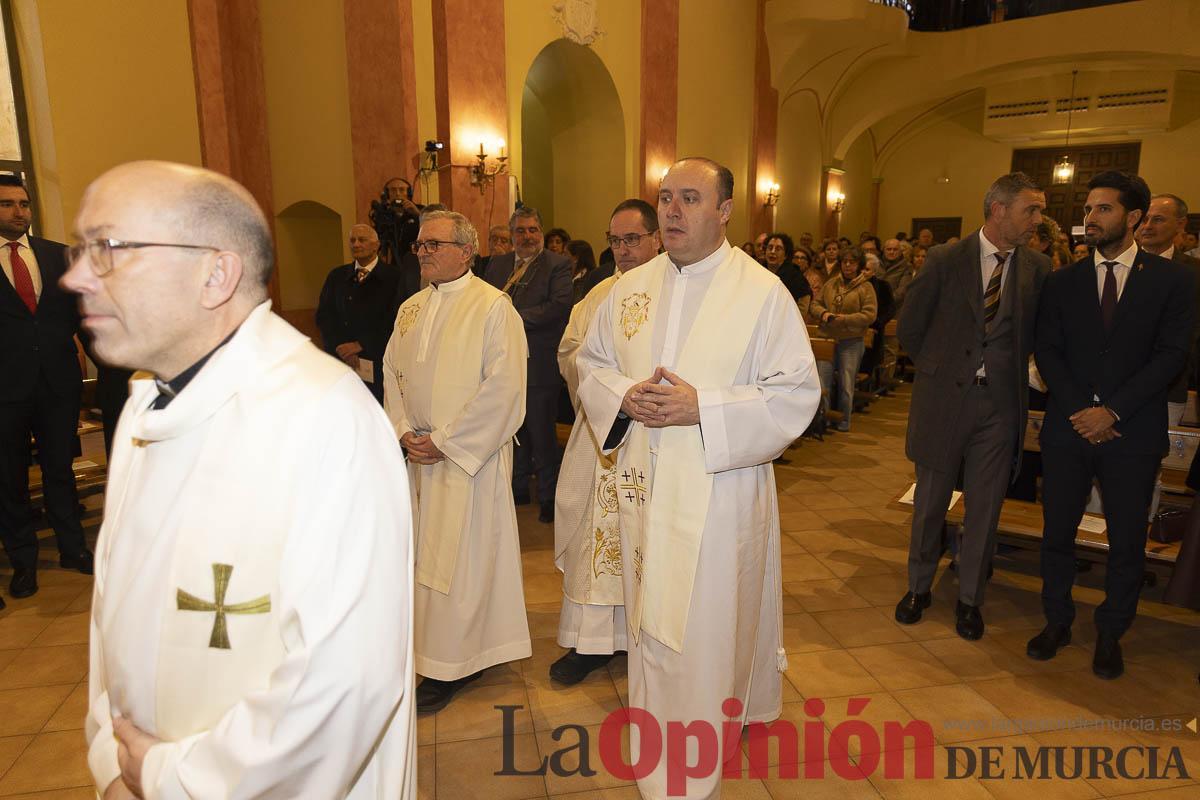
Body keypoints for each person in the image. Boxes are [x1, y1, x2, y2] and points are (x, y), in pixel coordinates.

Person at [66, 161, 415, 799]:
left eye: (108, 249)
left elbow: (345, 683)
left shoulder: (324, 417)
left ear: (215, 273)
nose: (76, 276)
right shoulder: (145, 405)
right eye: (80, 249)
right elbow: (111, 620)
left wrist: (173, 782)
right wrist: (111, 762)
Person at [576, 157, 820, 799]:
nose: (674, 211)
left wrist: (702, 409)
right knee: (648, 615)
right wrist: (625, 396)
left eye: (690, 198)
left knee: (708, 622)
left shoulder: (761, 292)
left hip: (720, 490)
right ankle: (657, 734)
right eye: (665, 199)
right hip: (642, 483)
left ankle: (700, 743)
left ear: (725, 210)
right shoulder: (627, 289)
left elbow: (795, 394)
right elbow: (591, 363)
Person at [1029, 170, 1194, 680]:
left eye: (1103, 209)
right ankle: (1057, 620)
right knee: (1057, 533)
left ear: (1134, 217)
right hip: (1068, 429)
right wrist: (1083, 410)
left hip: (1133, 431)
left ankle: (1110, 632)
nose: (1090, 219)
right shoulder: (1063, 280)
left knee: (1126, 541)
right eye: (1088, 210)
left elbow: (1171, 356)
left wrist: (1113, 410)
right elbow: (1049, 351)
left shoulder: (1174, 280)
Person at [382, 210, 531, 713]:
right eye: (419, 245)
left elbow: (506, 387)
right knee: (423, 558)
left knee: (463, 562)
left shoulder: (494, 308)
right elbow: (391, 375)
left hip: (468, 458)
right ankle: (429, 651)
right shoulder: (408, 310)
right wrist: (403, 429)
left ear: (466, 251)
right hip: (419, 459)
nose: (422, 252)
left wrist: (446, 439)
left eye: (434, 244)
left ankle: (457, 662)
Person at [896, 171, 1050, 641]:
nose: (1038, 221)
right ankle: (918, 588)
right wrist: (939, 371)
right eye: (1032, 210)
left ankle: (969, 600)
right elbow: (910, 327)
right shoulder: (946, 259)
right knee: (930, 503)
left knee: (986, 507)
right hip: (944, 403)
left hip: (1000, 407)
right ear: (998, 209)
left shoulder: (1037, 268)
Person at [551, 198, 660, 685]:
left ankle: (647, 639)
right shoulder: (595, 297)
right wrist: (609, 388)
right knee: (593, 540)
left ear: (656, 238)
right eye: (615, 240)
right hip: (600, 436)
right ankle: (593, 644)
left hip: (657, 440)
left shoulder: (676, 292)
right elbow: (570, 352)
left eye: (632, 239)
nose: (622, 250)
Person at [0, 173, 93, 606]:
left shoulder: (57, 256)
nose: (18, 211)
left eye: (23, 203)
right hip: (5, 388)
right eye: (7, 204)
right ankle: (24, 560)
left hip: (57, 382)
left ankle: (73, 548)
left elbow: (82, 315)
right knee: (11, 478)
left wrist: (110, 363)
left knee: (60, 470)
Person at [483, 208, 573, 522]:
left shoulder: (557, 264)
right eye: (521, 231)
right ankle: (518, 488)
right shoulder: (497, 264)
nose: (527, 237)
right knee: (510, 428)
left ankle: (548, 496)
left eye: (533, 230)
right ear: (512, 235)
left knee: (541, 433)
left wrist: (511, 319)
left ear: (542, 232)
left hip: (539, 362)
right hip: (501, 363)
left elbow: (559, 306)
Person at [315, 224, 403, 404]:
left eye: (362, 240)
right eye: (352, 240)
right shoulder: (337, 276)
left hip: (378, 363)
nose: (356, 244)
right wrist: (342, 347)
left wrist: (361, 345)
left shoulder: (394, 278)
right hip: (340, 362)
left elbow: (396, 320)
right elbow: (324, 315)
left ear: (376, 245)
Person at [1136, 194, 1200, 425]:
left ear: (1181, 224)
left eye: (1158, 220)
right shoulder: (1118, 268)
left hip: (1170, 390)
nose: (1148, 226)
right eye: (1144, 219)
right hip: (1112, 389)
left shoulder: (1194, 273)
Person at [811, 248, 877, 432]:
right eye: (845, 262)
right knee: (823, 381)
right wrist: (824, 314)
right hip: (828, 338)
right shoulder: (831, 284)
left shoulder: (866, 287)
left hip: (851, 341)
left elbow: (870, 314)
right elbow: (815, 304)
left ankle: (844, 420)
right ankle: (823, 419)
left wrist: (845, 319)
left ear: (859, 265)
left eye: (852, 262)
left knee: (846, 383)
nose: (848, 265)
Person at [763, 232, 812, 304]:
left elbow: (804, 302)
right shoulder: (760, 270)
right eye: (770, 248)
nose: (772, 252)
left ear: (785, 255)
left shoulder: (795, 275)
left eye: (778, 249)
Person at [566, 238, 597, 303]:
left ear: (576, 258)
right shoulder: (566, 277)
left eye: (565, 254)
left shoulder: (591, 279)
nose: (562, 257)